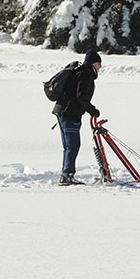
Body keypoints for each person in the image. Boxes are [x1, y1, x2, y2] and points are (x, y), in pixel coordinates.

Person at [54, 50, 102, 185]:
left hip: (63, 111)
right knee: (72, 146)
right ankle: (67, 176)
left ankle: (66, 174)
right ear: (93, 63)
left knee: (69, 146)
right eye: (98, 64)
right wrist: (93, 111)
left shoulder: (80, 72)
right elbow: (81, 97)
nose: (100, 68)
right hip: (69, 113)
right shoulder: (84, 75)